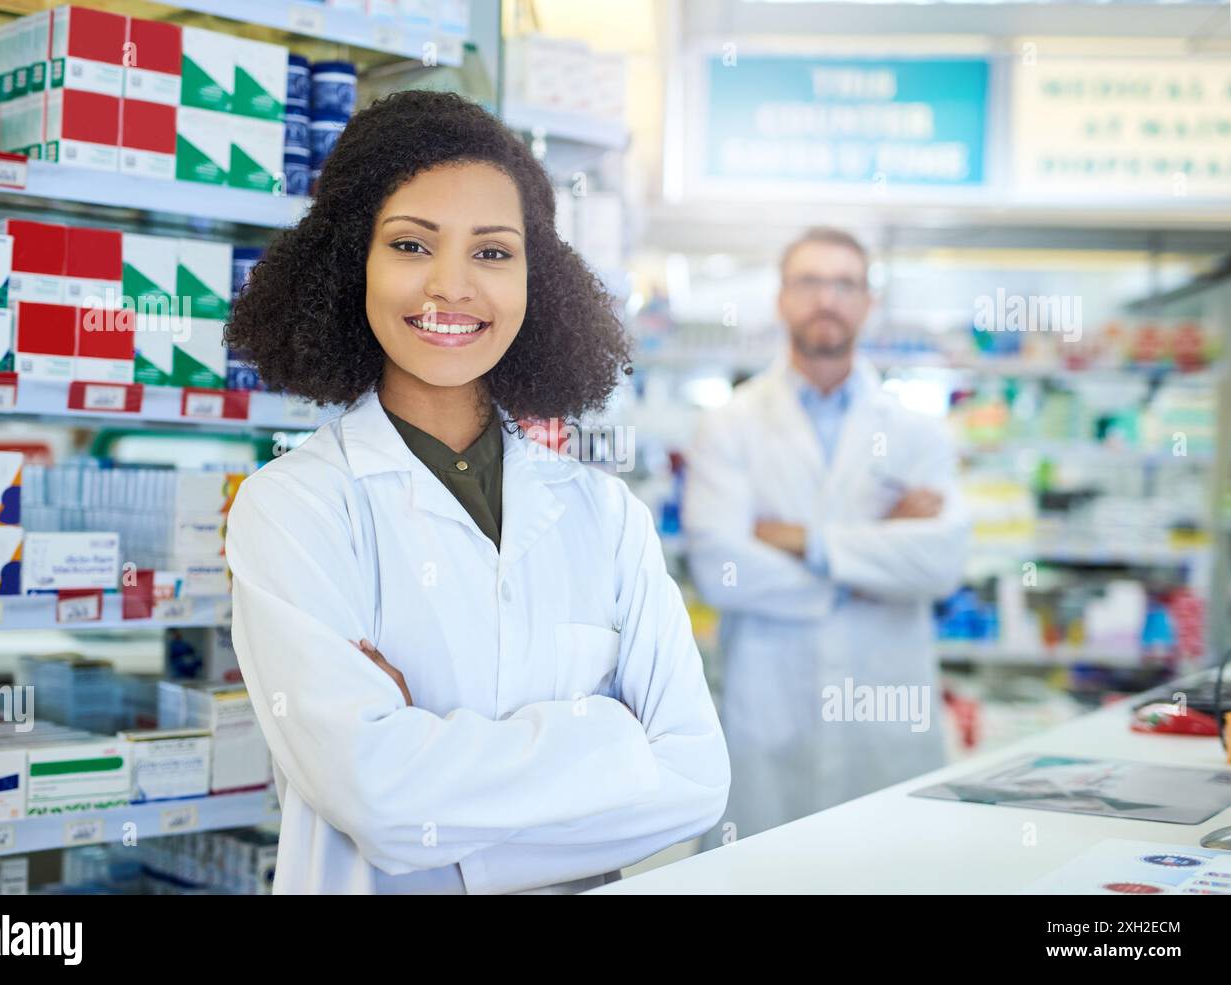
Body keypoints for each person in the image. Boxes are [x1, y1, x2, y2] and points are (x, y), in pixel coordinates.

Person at [222, 90, 729, 895]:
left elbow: (698, 781)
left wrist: (433, 770)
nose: (451, 287)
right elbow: (377, 799)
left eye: (492, 252)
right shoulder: (294, 508)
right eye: (412, 245)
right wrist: (611, 737)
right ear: (351, 262)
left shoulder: (608, 516)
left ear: (539, 279)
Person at [683, 227, 968, 844]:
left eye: (845, 284)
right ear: (781, 299)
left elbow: (941, 563)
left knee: (892, 871)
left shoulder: (919, 432)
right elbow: (721, 569)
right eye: (809, 281)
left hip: (885, 715)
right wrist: (877, 552)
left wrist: (805, 542)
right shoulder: (728, 425)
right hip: (770, 710)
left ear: (869, 303)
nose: (827, 299)